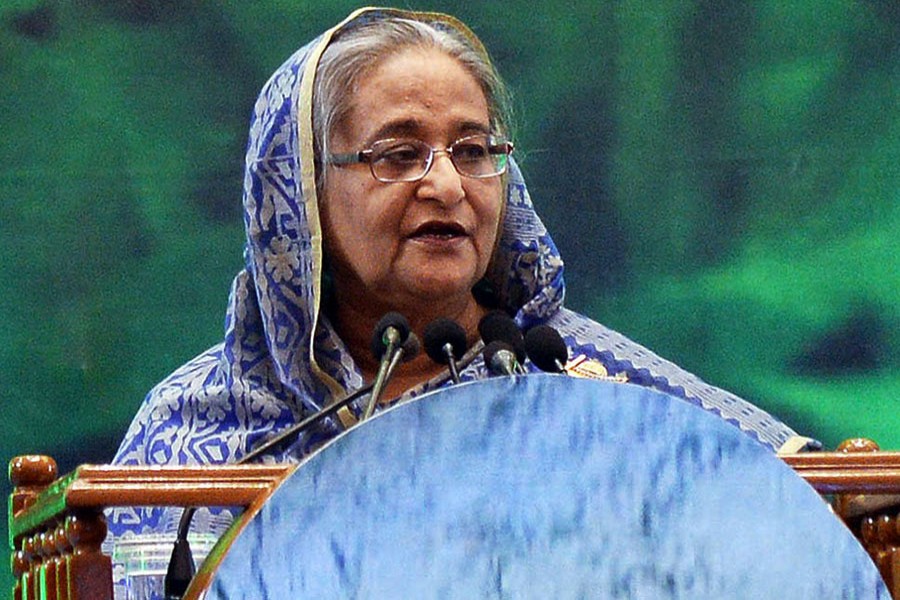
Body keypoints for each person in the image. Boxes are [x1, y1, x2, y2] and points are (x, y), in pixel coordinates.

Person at [108, 5, 812, 560]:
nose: (446, 185)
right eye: (400, 153)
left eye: (474, 150)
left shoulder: (585, 380)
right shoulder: (198, 433)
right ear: (301, 196)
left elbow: (831, 510)